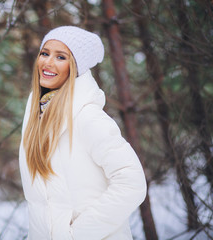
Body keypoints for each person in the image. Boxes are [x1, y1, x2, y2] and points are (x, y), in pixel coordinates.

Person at [19, 26, 147, 240]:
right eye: (45, 53)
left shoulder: (87, 117)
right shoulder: (36, 114)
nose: (48, 62)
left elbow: (132, 183)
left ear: (75, 67)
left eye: (61, 57)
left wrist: (77, 235)